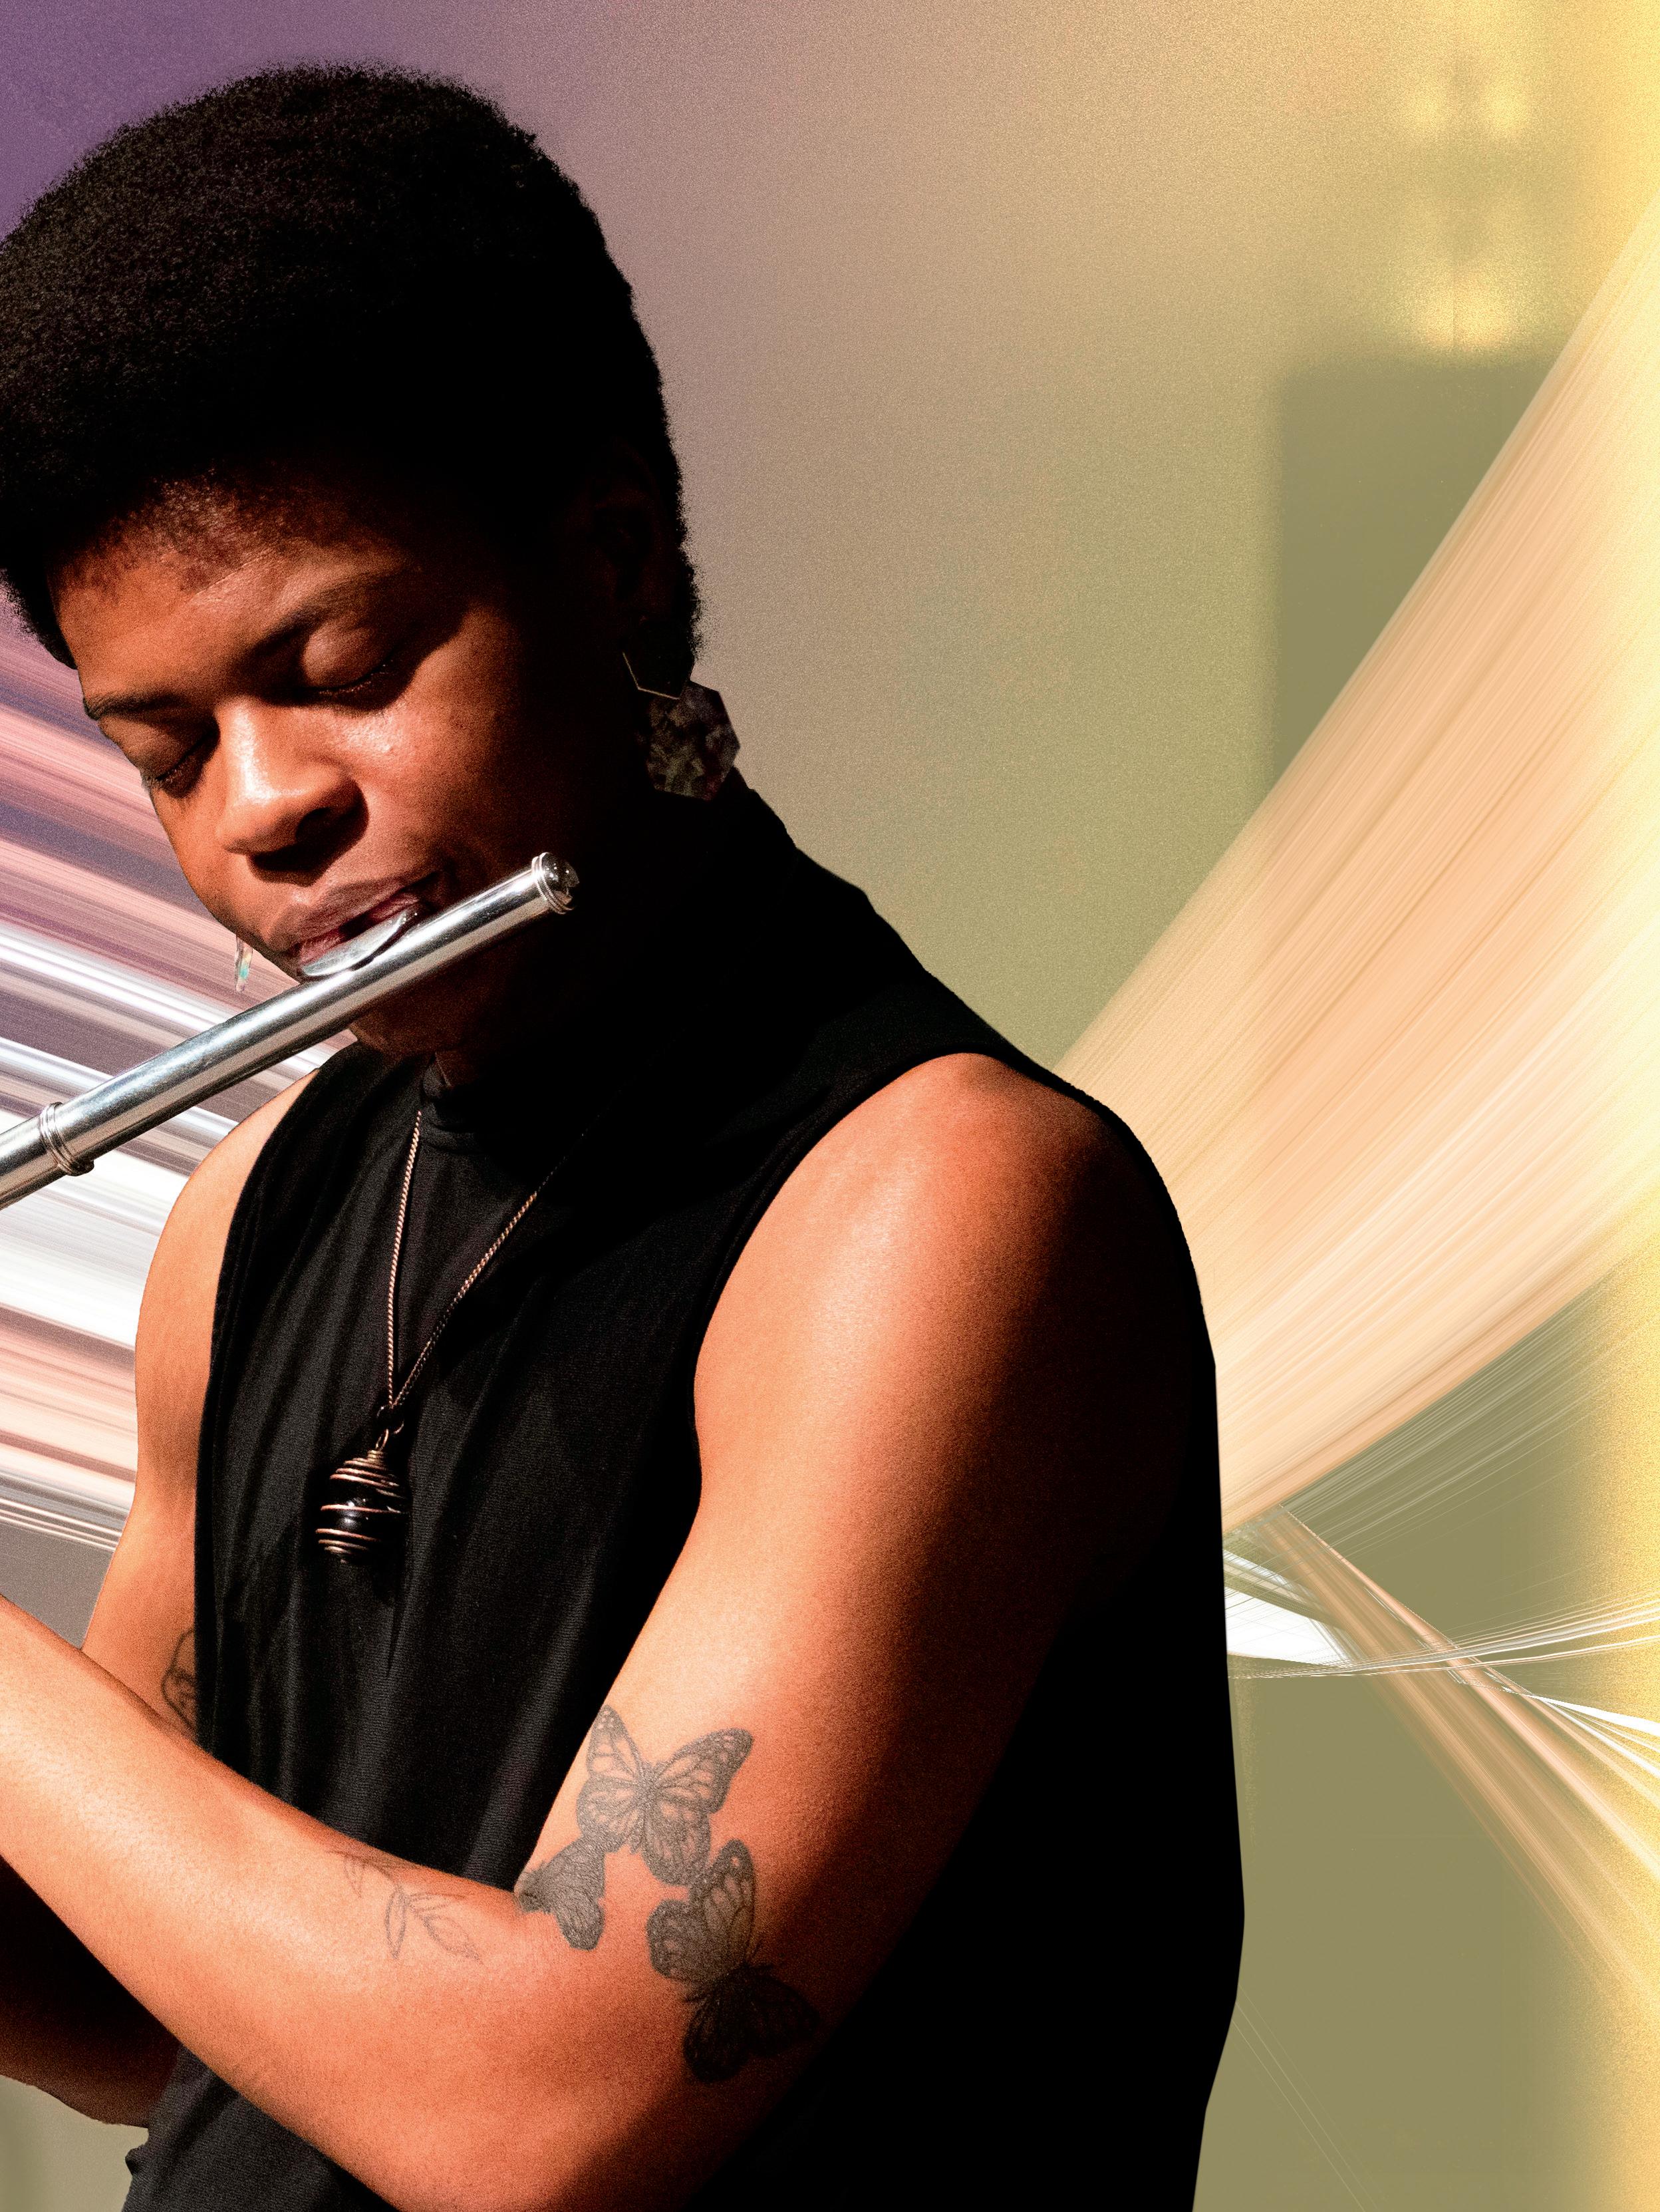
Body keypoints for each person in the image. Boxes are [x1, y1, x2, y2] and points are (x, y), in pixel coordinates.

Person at [0, 64, 1240, 2212]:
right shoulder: (249, 1220)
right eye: (168, 748)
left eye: (342, 667)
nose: (263, 809)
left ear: (614, 560)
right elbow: (148, 2021)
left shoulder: (939, 1211)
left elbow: (541, 2115)